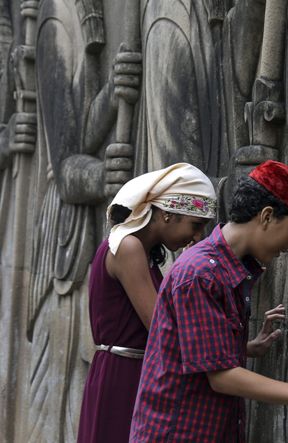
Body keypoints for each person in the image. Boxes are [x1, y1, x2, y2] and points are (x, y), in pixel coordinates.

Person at [129, 160, 288, 442]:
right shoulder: (200, 274)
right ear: (267, 216)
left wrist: (243, 348)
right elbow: (221, 377)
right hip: (177, 433)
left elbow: (199, 353)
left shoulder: (226, 268)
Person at [77, 163, 217, 443]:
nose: (198, 237)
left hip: (132, 371)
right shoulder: (128, 247)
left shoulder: (142, 251)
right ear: (167, 215)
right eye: (196, 225)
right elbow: (161, 326)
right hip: (123, 376)